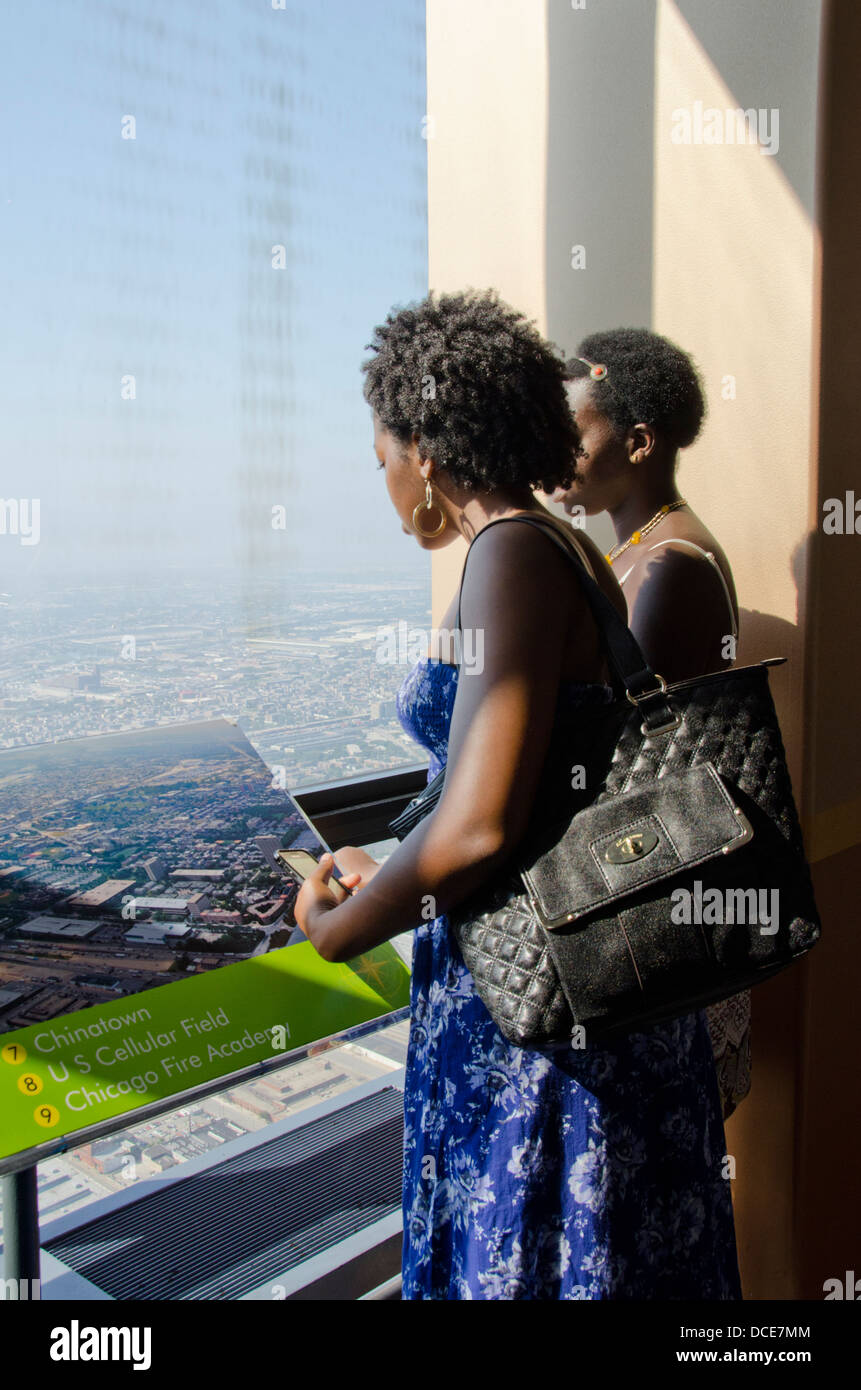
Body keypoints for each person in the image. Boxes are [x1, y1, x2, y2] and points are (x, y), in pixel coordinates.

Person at [294, 290, 741, 1300]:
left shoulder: (508, 557)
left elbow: (482, 822)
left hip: (540, 1028)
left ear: (423, 448)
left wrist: (343, 928)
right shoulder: (565, 548)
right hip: (598, 988)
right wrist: (399, 859)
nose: (386, 484)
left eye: (382, 463)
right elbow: (522, 786)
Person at [552, 326, 750, 1119]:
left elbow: (621, 753)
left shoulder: (667, 566)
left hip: (663, 914)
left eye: (575, 435)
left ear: (636, 442)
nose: (556, 453)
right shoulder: (642, 552)